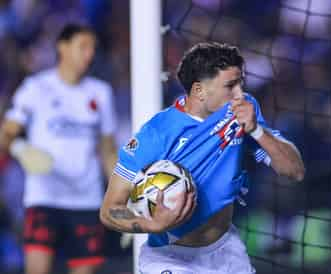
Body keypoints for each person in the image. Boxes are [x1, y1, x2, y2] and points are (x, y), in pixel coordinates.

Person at [100, 42, 305, 274]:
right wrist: (152, 224)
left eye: (241, 83)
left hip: (226, 252)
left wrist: (257, 130)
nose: (239, 93)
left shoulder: (244, 110)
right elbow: (109, 209)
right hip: (171, 258)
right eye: (230, 85)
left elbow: (294, 171)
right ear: (199, 90)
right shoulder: (156, 134)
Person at [0, 24, 118, 274]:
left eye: (93, 48)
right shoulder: (36, 88)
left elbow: (108, 150)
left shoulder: (101, 93)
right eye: (83, 47)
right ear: (62, 47)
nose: (89, 54)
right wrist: (20, 148)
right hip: (45, 197)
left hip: (86, 200)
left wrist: (120, 197)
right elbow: (7, 132)